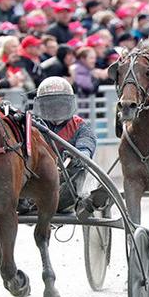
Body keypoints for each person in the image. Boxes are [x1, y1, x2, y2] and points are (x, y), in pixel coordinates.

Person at [33, 76, 97, 214]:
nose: (56, 108)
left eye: (60, 104)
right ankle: (28, 203)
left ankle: (87, 198)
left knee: (82, 170)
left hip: (66, 180)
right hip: (36, 180)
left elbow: (86, 144)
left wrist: (81, 155)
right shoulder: (31, 125)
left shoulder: (80, 126)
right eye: (51, 104)